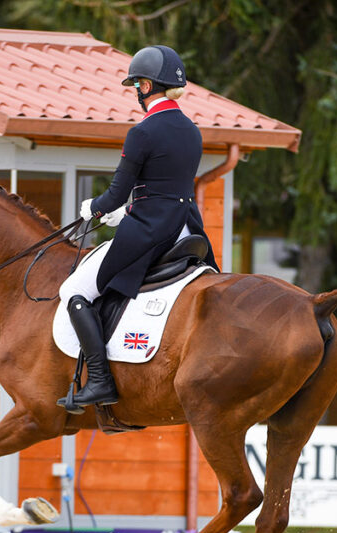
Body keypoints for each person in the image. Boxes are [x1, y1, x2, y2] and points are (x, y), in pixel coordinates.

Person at [56, 45, 219, 412]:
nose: (136, 92)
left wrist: (94, 210)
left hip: (150, 229)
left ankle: (99, 380)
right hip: (186, 228)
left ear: (145, 86)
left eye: (136, 85)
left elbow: (115, 194)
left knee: (76, 290)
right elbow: (166, 186)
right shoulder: (192, 131)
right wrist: (127, 207)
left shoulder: (142, 132)